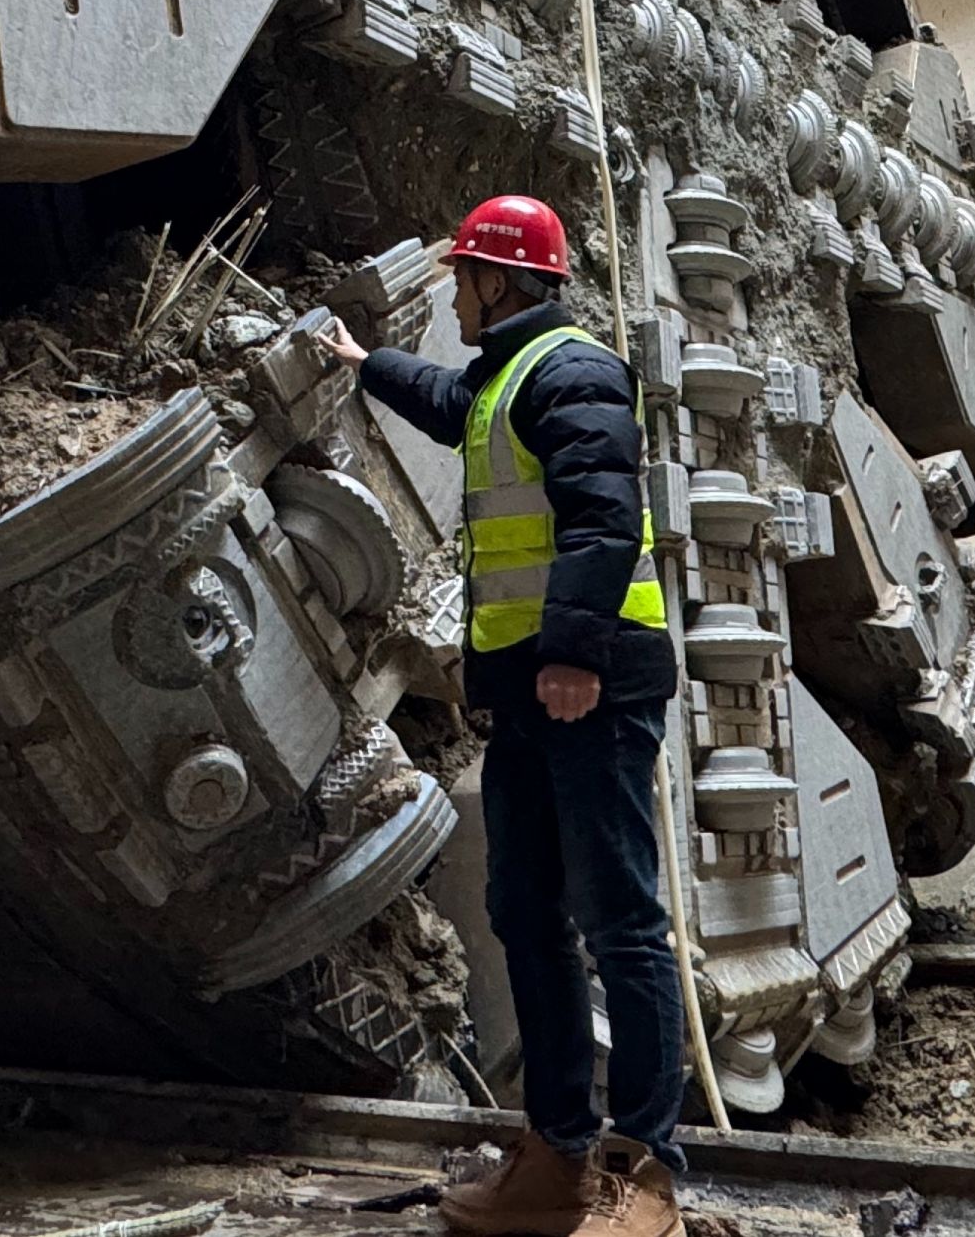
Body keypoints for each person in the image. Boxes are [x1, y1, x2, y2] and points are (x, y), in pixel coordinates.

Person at [322, 195, 685, 1237]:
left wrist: (571, 651)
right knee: (527, 914)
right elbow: (449, 401)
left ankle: (645, 1170)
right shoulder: (508, 379)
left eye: (463, 279)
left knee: (622, 923)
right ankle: (557, 1156)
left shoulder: (574, 372)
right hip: (530, 691)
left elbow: (604, 521)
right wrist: (364, 362)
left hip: (589, 687)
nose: (454, 299)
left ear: (502, 281)